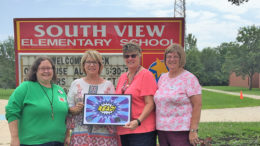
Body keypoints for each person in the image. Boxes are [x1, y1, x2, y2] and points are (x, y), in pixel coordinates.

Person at [5, 56, 68, 146]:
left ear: (53, 71)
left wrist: (67, 135)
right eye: (42, 68)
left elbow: (65, 116)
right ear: (35, 71)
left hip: (58, 142)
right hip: (32, 143)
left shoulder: (60, 91)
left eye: (49, 68)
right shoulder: (26, 87)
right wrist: (14, 138)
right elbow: (11, 111)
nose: (46, 71)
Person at [65, 50, 119, 146]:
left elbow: (115, 111)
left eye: (95, 62)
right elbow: (68, 107)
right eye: (88, 62)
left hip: (104, 135)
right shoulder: (76, 83)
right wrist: (75, 109)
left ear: (100, 65)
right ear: (83, 65)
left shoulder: (108, 85)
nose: (91, 65)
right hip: (80, 134)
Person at [154, 43, 202, 146]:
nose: (172, 59)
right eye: (169, 57)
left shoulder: (189, 78)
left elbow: (197, 105)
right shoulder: (163, 78)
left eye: (176, 56)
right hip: (162, 129)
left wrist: (193, 130)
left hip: (181, 131)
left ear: (181, 59)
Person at [115, 42, 157, 146]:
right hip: (124, 129)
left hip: (142, 130)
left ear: (139, 55)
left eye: (133, 55)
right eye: (127, 56)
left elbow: (150, 104)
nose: (130, 58)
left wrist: (138, 121)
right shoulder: (123, 77)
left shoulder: (146, 75)